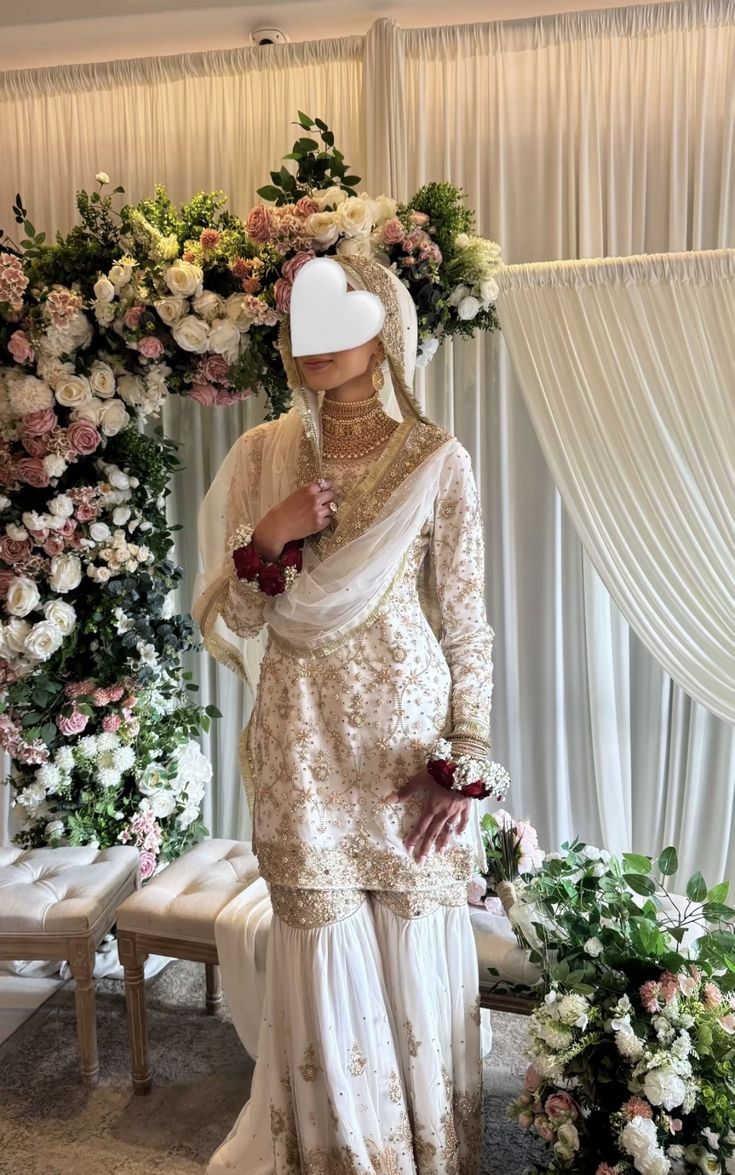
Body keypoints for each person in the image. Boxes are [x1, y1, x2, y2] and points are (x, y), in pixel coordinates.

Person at [192, 254, 506, 1175]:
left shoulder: (437, 457)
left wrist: (469, 751)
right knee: (317, 927)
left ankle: (421, 1150)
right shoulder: (260, 456)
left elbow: (465, 614)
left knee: (410, 931)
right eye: (301, 322)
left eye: (340, 320)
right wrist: (272, 537)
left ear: (389, 332)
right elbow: (241, 615)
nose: (315, 343)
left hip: (405, 738)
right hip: (299, 731)